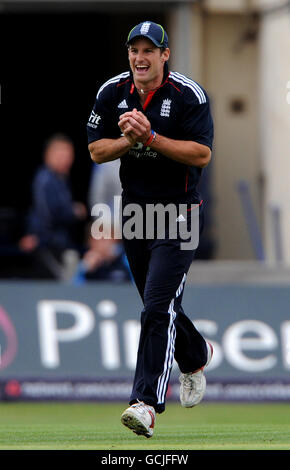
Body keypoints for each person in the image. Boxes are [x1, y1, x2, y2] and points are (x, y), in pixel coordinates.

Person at [87, 21, 214, 438]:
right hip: (137, 214)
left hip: (179, 212)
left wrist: (152, 136)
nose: (140, 58)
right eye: (134, 50)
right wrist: (129, 139)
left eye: (149, 50)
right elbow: (95, 149)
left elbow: (201, 154)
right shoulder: (112, 92)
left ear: (165, 54)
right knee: (157, 305)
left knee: (156, 307)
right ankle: (195, 354)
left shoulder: (187, 94)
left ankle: (145, 404)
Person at [19, 134, 87, 279]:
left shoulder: (61, 180)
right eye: (60, 154)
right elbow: (47, 214)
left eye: (69, 154)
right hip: (48, 248)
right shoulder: (45, 179)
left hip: (59, 246)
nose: (66, 159)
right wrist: (74, 211)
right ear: (48, 154)